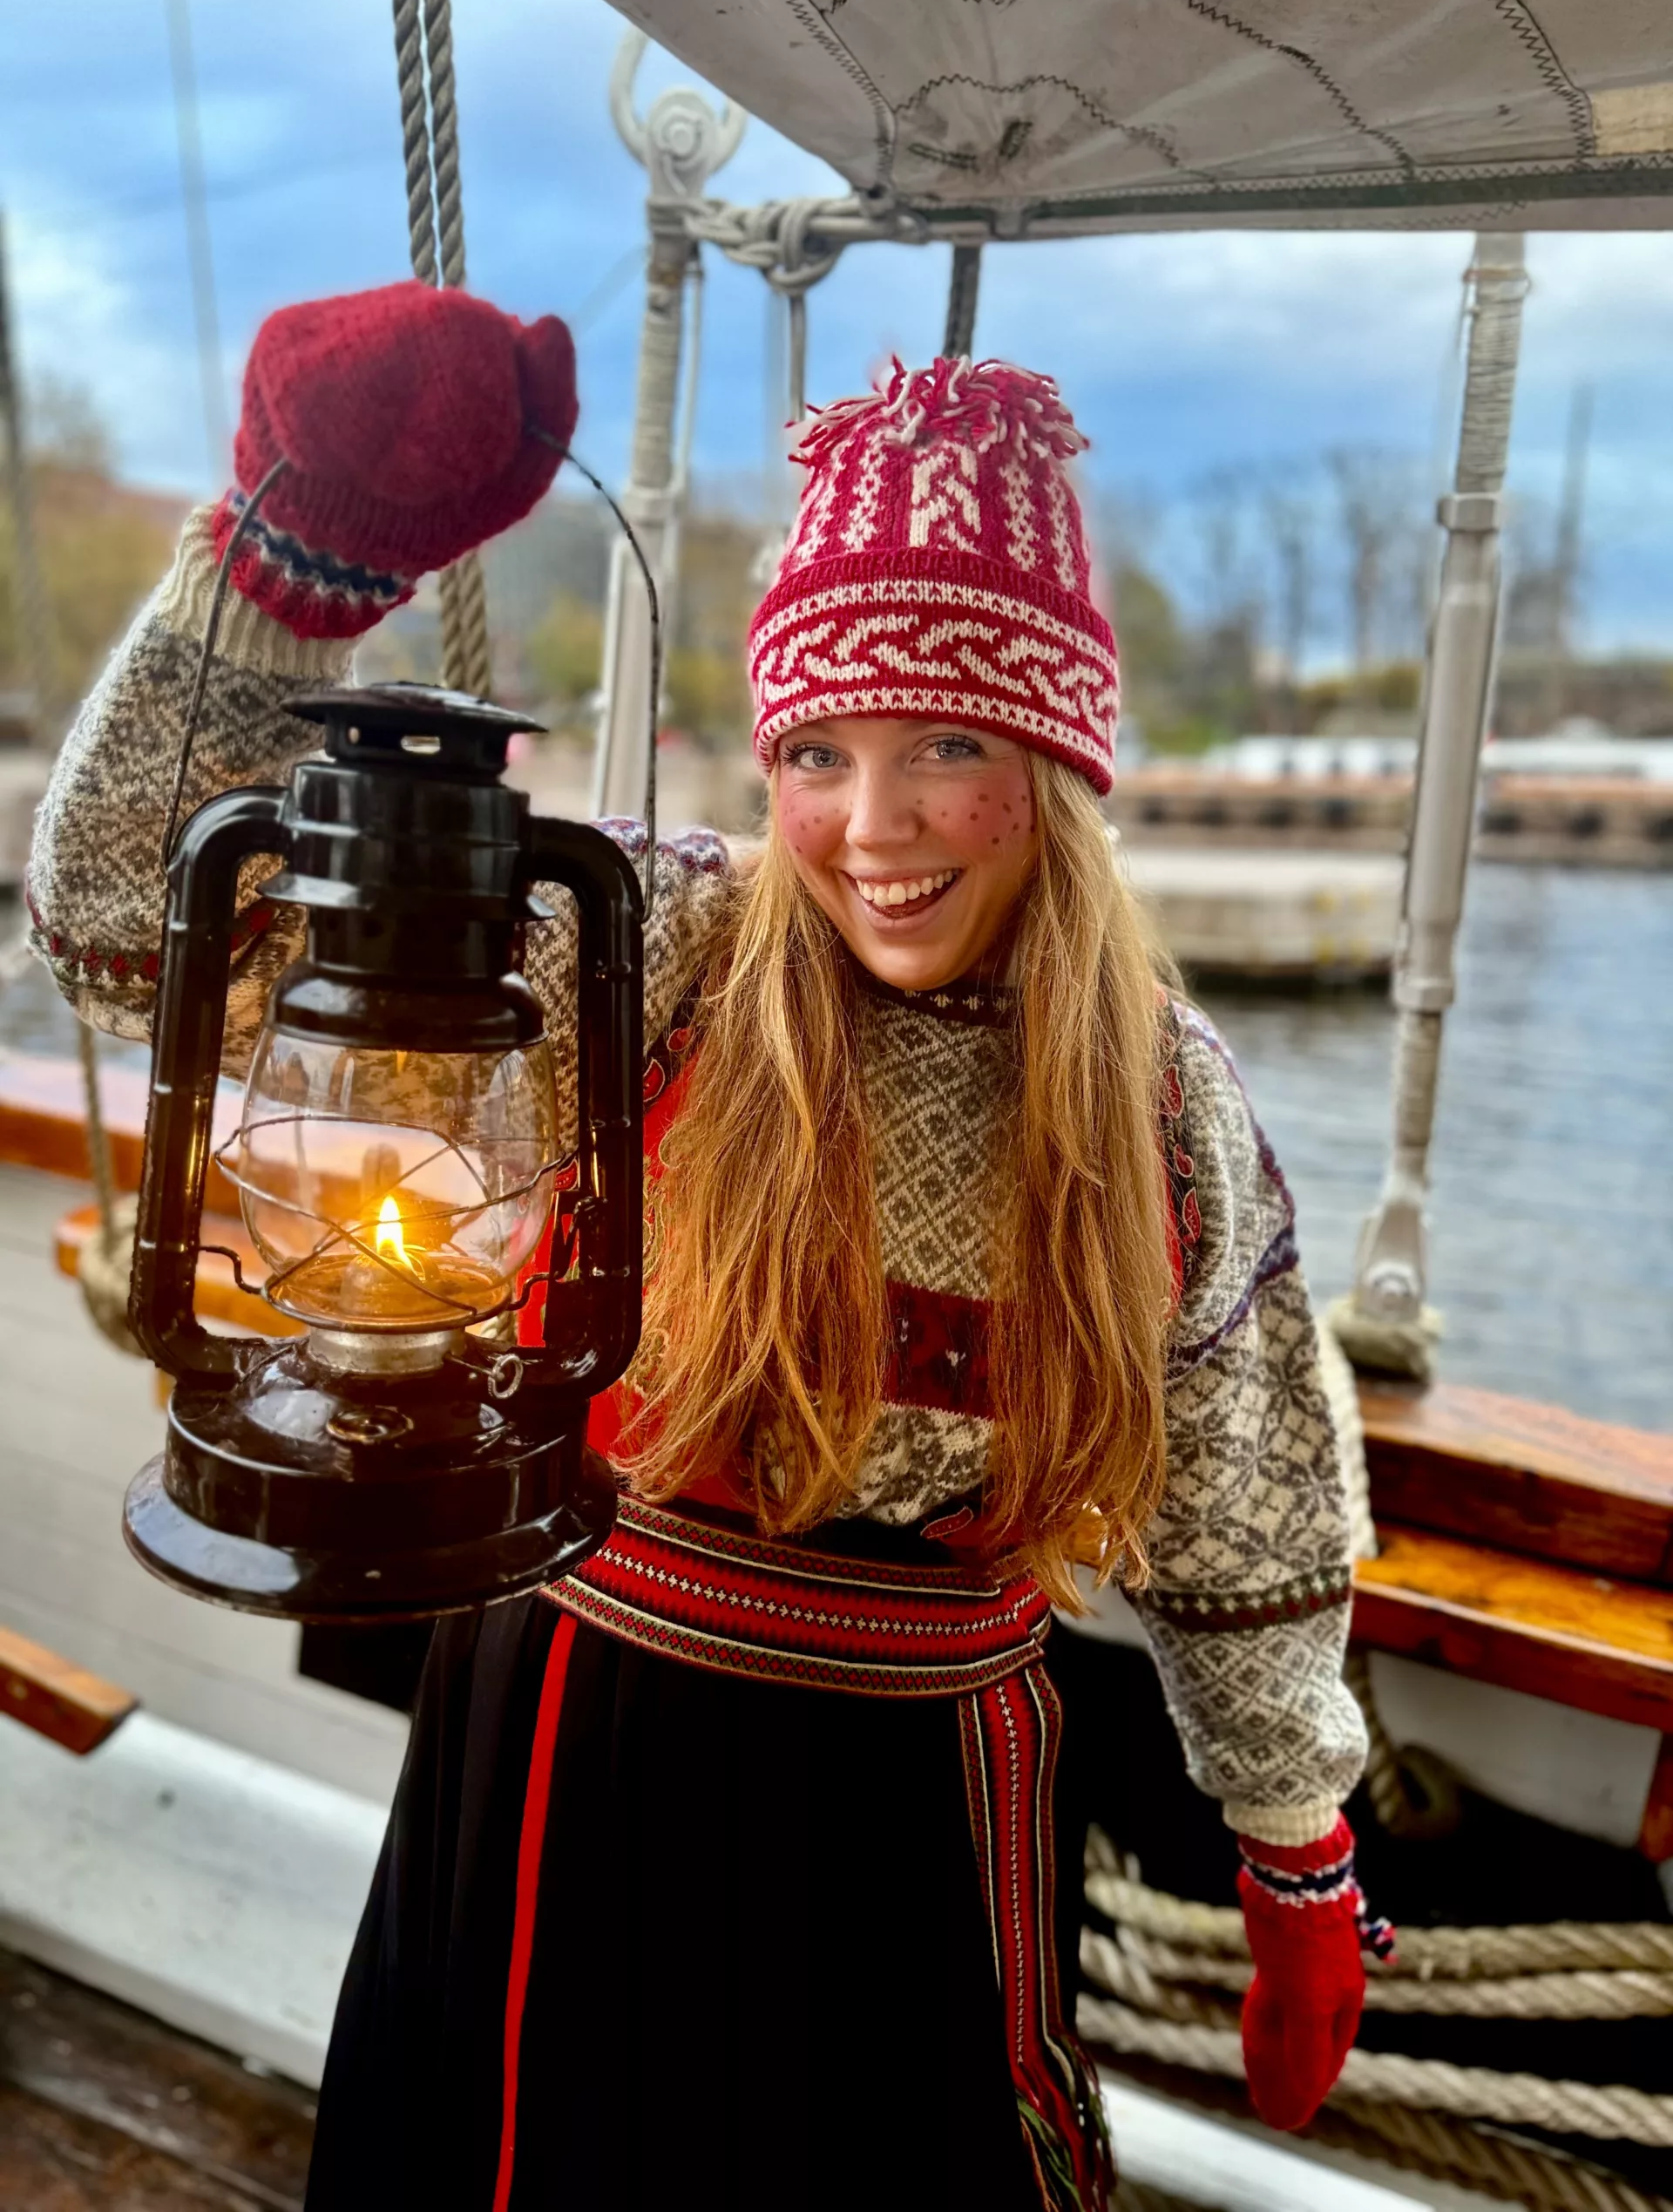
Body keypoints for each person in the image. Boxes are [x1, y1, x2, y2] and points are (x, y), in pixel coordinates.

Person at [29, 281, 1385, 2211]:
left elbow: (1246, 1506)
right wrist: (283, 573)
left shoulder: (1163, 1099)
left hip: (923, 1801)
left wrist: (1296, 1847)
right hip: (576, 1729)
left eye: (944, 748)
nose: (874, 823)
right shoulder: (641, 949)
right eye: (820, 751)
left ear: (1063, 774)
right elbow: (117, 924)